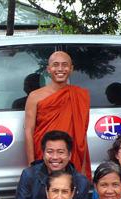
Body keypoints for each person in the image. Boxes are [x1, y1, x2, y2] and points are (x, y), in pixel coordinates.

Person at [25, 51, 91, 180]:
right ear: (48, 69)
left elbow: (81, 133)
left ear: (71, 69)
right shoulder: (35, 96)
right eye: (55, 65)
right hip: (45, 154)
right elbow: (29, 131)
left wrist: (83, 167)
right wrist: (32, 165)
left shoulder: (78, 95)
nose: (60, 69)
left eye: (65, 65)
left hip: (70, 156)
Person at [15, 130, 90, 199]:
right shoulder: (29, 175)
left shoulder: (81, 182)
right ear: (43, 154)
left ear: (69, 155)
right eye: (50, 152)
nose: (54, 157)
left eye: (60, 152)